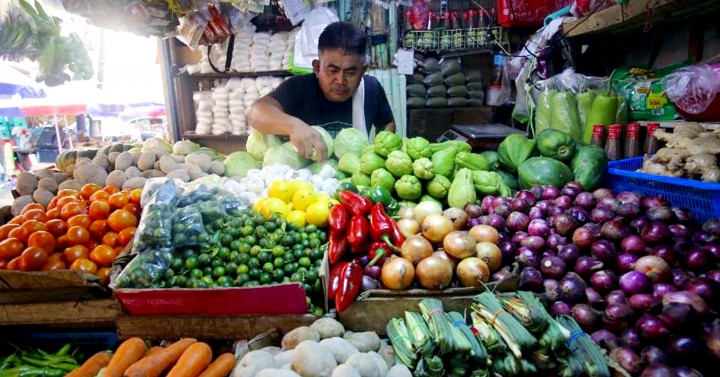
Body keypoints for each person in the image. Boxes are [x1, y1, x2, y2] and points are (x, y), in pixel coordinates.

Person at [246, 21, 396, 162]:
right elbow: (254, 112)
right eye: (332, 71)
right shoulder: (299, 88)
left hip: (354, 181)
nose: (340, 80)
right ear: (317, 68)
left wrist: (380, 153)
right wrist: (294, 126)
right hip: (306, 185)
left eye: (350, 72)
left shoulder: (370, 89)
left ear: (363, 71)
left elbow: (387, 123)